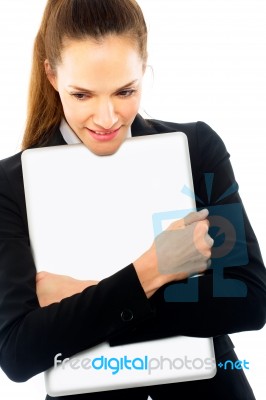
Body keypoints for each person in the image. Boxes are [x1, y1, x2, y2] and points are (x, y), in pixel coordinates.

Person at [0, 0, 265, 399]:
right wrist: (152, 269)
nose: (106, 118)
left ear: (144, 70)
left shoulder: (197, 149)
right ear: (51, 75)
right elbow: (19, 353)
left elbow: (250, 299)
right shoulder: (10, 183)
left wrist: (83, 298)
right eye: (83, 95)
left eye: (125, 91)